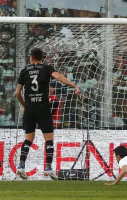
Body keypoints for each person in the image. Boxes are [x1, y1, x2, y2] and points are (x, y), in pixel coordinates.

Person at [15, 48, 80, 180]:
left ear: (31, 58)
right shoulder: (46, 68)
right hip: (43, 107)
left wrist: (25, 105)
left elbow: (17, 93)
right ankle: (49, 168)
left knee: (29, 138)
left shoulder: (24, 71)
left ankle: (21, 167)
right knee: (49, 139)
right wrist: (73, 86)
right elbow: (59, 77)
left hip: (30, 108)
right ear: (42, 58)